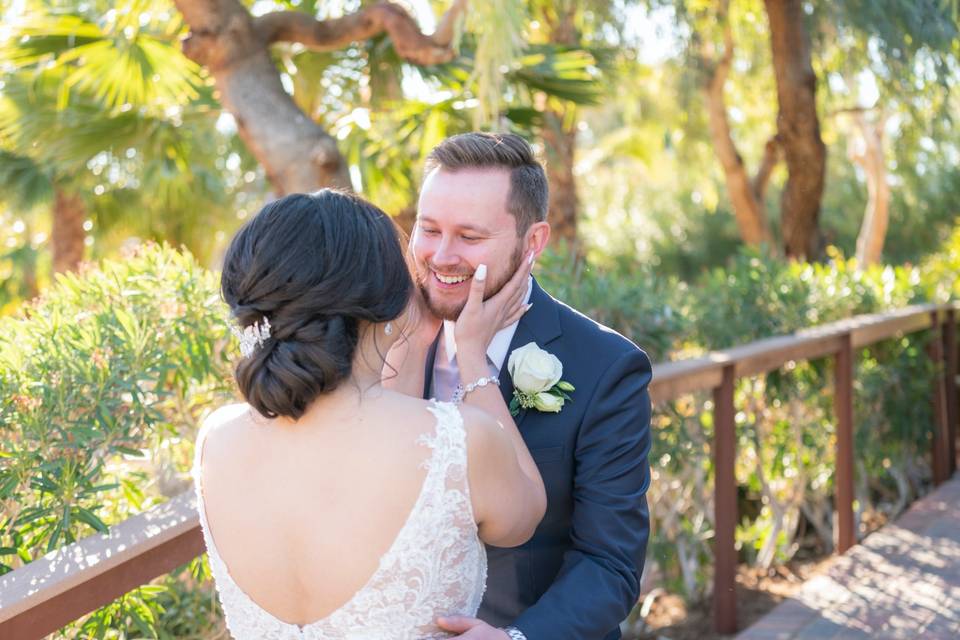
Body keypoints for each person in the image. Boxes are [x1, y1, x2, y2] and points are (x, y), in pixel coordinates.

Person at [193, 190, 546, 639]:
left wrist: (410, 341)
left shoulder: (215, 439)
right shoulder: (460, 439)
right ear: (388, 300)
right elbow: (525, 516)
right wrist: (473, 358)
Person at [393, 132, 653, 640]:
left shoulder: (606, 367)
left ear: (533, 242)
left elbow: (609, 563)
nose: (442, 256)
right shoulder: (379, 342)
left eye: (469, 238)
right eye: (428, 230)